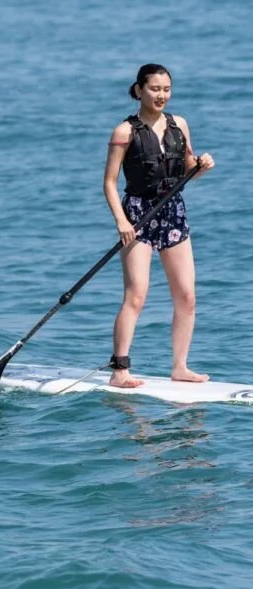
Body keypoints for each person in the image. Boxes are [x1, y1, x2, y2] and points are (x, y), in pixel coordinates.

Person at [103, 64, 214, 388]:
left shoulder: (179, 125)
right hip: (138, 215)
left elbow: (188, 168)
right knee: (136, 296)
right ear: (139, 90)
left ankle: (180, 366)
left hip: (173, 212)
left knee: (187, 296)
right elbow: (109, 183)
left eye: (166, 89)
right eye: (154, 89)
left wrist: (202, 166)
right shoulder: (124, 131)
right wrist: (122, 221)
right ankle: (120, 370)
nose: (161, 95)